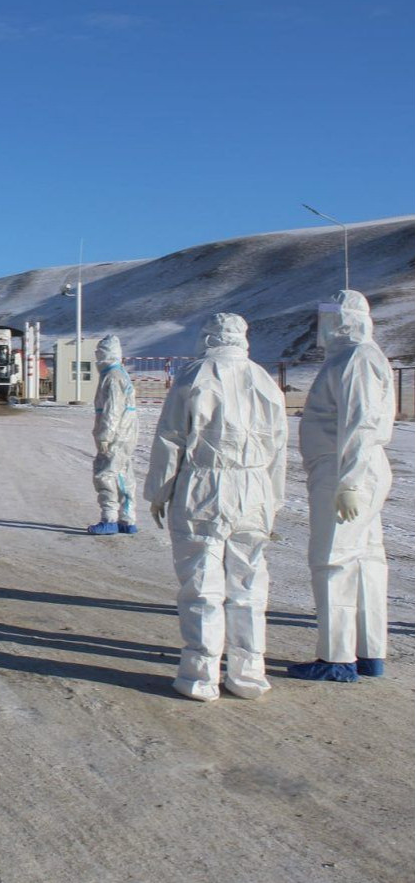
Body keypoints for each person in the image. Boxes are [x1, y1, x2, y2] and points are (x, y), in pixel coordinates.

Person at [144, 313, 288, 702]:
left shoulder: (195, 377)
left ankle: (200, 676)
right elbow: (279, 446)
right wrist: (272, 498)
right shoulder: (264, 381)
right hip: (254, 487)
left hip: (204, 485)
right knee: (249, 585)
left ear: (207, 337)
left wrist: (160, 491)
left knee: (202, 586)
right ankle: (248, 674)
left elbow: (171, 438)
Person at [289, 290, 395, 682]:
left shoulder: (356, 360)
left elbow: (360, 424)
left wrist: (349, 480)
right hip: (355, 469)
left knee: (333, 560)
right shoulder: (357, 357)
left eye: (331, 318)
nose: (324, 326)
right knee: (366, 561)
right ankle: (369, 651)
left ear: (345, 319)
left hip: (345, 470)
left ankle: (336, 656)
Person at [88, 334, 138, 534]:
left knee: (105, 473)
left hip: (116, 434)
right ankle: (127, 519)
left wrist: (104, 436)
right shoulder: (120, 374)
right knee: (123, 475)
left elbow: (112, 410)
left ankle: (109, 518)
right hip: (126, 433)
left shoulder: (111, 377)